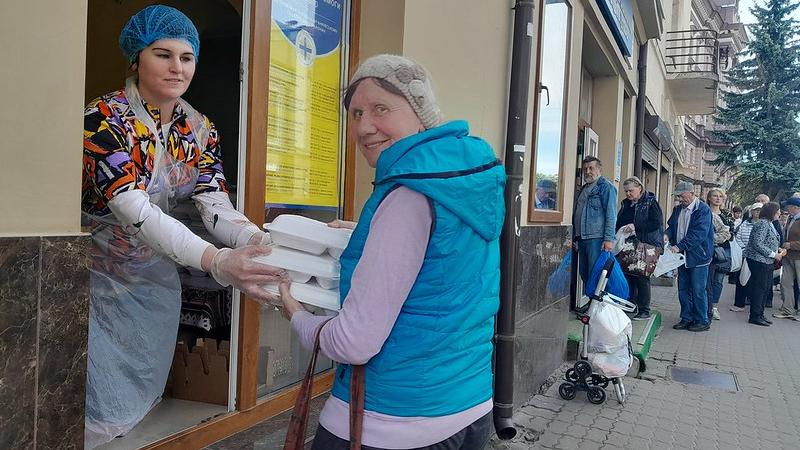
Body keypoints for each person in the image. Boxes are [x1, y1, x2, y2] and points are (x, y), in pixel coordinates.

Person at [274, 54, 505, 449]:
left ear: (420, 114)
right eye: (357, 112)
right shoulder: (463, 180)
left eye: (381, 108)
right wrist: (370, 232)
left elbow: (353, 342)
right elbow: (443, 261)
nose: (364, 126)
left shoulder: (408, 195)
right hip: (468, 406)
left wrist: (296, 315)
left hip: (393, 421)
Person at [82, 6, 284, 447]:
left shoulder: (198, 128)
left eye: (187, 57)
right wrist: (216, 259)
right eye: (163, 54)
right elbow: (133, 208)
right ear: (136, 59)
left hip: (154, 278)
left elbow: (212, 201)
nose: (177, 67)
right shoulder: (103, 120)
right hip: (99, 280)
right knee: (96, 401)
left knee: (141, 399)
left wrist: (261, 241)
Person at [665, 181, 714, 332]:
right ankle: (686, 317)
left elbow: (698, 234)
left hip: (699, 256)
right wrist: (667, 235)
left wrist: (679, 246)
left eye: (682, 195)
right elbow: (672, 226)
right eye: (678, 195)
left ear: (692, 193)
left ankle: (702, 320)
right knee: (683, 289)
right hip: (681, 256)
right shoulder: (678, 209)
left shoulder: (703, 210)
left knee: (698, 290)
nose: (680, 198)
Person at [615, 176, 663, 320]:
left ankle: (644, 310)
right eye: (626, 191)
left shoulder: (650, 202)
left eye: (631, 190)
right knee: (629, 274)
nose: (628, 194)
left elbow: (656, 223)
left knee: (642, 276)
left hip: (646, 245)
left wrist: (636, 226)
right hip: (629, 244)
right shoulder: (626, 204)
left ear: (639, 188)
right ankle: (631, 305)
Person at [573, 156, 617, 282]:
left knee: (596, 274)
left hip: (596, 238)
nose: (587, 172)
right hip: (582, 238)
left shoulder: (606, 187)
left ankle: (597, 301)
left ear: (599, 169)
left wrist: (608, 239)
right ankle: (593, 299)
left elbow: (611, 214)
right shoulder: (584, 188)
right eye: (585, 169)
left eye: (591, 168)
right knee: (584, 273)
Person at [743, 202, 786, 326]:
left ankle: (760, 314)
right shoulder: (762, 223)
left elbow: (768, 241)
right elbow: (757, 243)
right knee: (760, 288)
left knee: (766, 288)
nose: (779, 214)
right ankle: (755, 316)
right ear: (771, 212)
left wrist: (777, 249)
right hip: (759, 260)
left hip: (766, 261)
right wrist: (773, 254)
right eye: (777, 211)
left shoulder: (769, 224)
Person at [706, 188, 732, 322]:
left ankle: (714, 306)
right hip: (707, 250)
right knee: (707, 280)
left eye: (720, 196)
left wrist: (717, 238)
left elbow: (730, 234)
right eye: (715, 196)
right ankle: (707, 306)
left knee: (719, 280)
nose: (718, 198)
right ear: (709, 198)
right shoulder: (704, 211)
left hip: (722, 251)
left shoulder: (726, 215)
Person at [730, 203, 761, 311]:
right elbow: (738, 237)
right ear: (751, 212)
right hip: (745, 254)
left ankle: (755, 306)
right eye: (756, 210)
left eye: (760, 210)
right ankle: (739, 304)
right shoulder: (745, 224)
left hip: (759, 256)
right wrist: (744, 249)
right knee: (741, 279)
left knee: (756, 282)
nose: (758, 212)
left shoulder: (765, 224)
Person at [775, 197, 800, 320]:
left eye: (788, 206)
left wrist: (792, 245)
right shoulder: (791, 219)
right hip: (788, 256)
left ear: (795, 207)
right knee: (785, 283)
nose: (785, 209)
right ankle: (787, 309)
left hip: (798, 257)